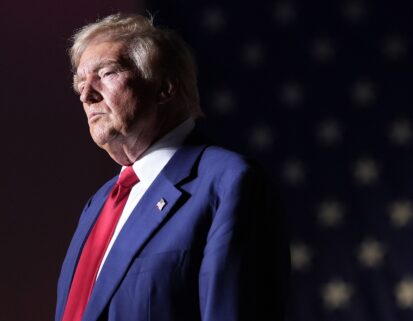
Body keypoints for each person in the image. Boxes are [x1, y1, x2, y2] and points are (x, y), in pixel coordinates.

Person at [55, 13, 289, 321]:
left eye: (107, 73)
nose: (87, 95)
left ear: (164, 87)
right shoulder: (98, 204)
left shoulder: (228, 182)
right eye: (81, 84)